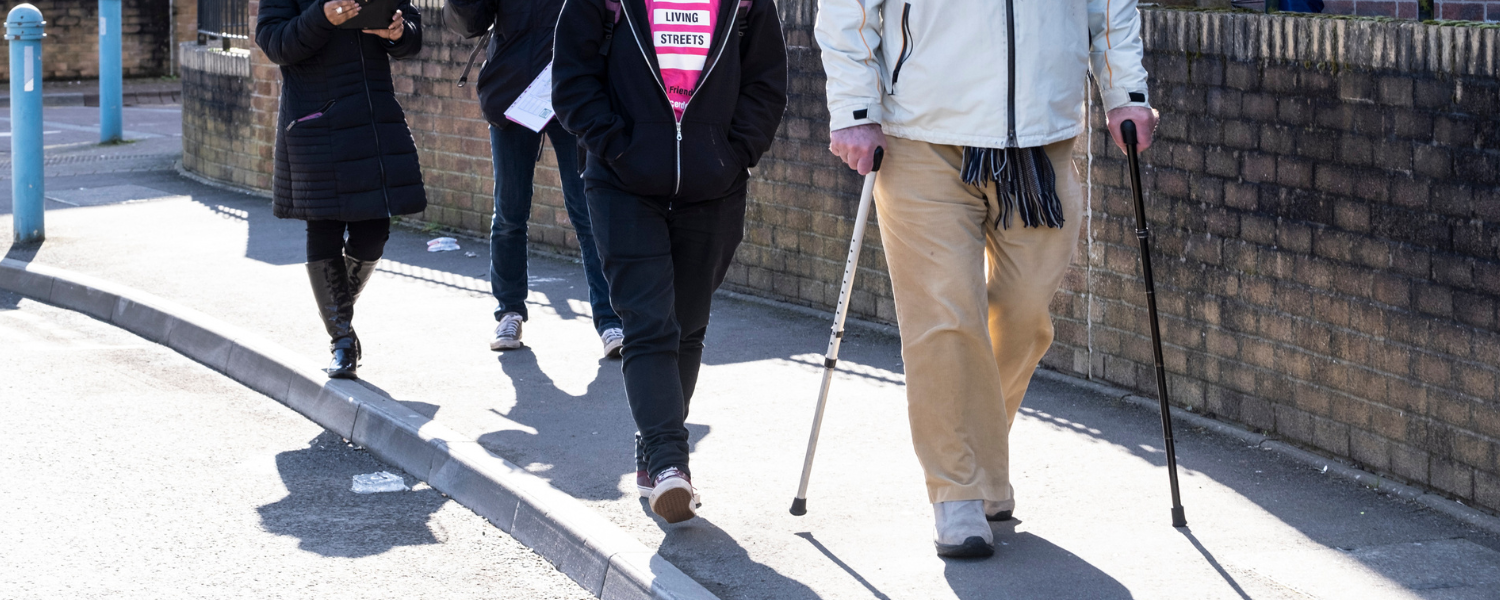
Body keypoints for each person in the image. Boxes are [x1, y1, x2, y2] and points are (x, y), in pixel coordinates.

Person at [816, 0, 1158, 557]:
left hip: (1040, 138)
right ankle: (958, 487)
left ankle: (982, 459)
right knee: (945, 316)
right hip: (922, 134)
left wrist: (1127, 95)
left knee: (1025, 314)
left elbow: (1111, 7)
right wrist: (855, 110)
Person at [552, 0, 787, 523]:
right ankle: (668, 465)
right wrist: (619, 147)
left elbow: (766, 81)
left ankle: (654, 448)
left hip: (713, 187)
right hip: (623, 185)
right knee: (648, 323)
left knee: (686, 326)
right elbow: (571, 80)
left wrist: (734, 155)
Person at [444, 0, 625, 357]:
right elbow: (469, 24)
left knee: (589, 212)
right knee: (510, 211)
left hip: (573, 93)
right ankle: (509, 311)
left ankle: (611, 321)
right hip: (513, 91)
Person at [256, 0, 426, 380]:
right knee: (324, 225)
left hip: (372, 115)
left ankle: (337, 312)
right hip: (316, 120)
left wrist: (399, 32)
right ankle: (342, 340)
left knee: (374, 233)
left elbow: (411, 30)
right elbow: (273, 42)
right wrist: (321, 18)